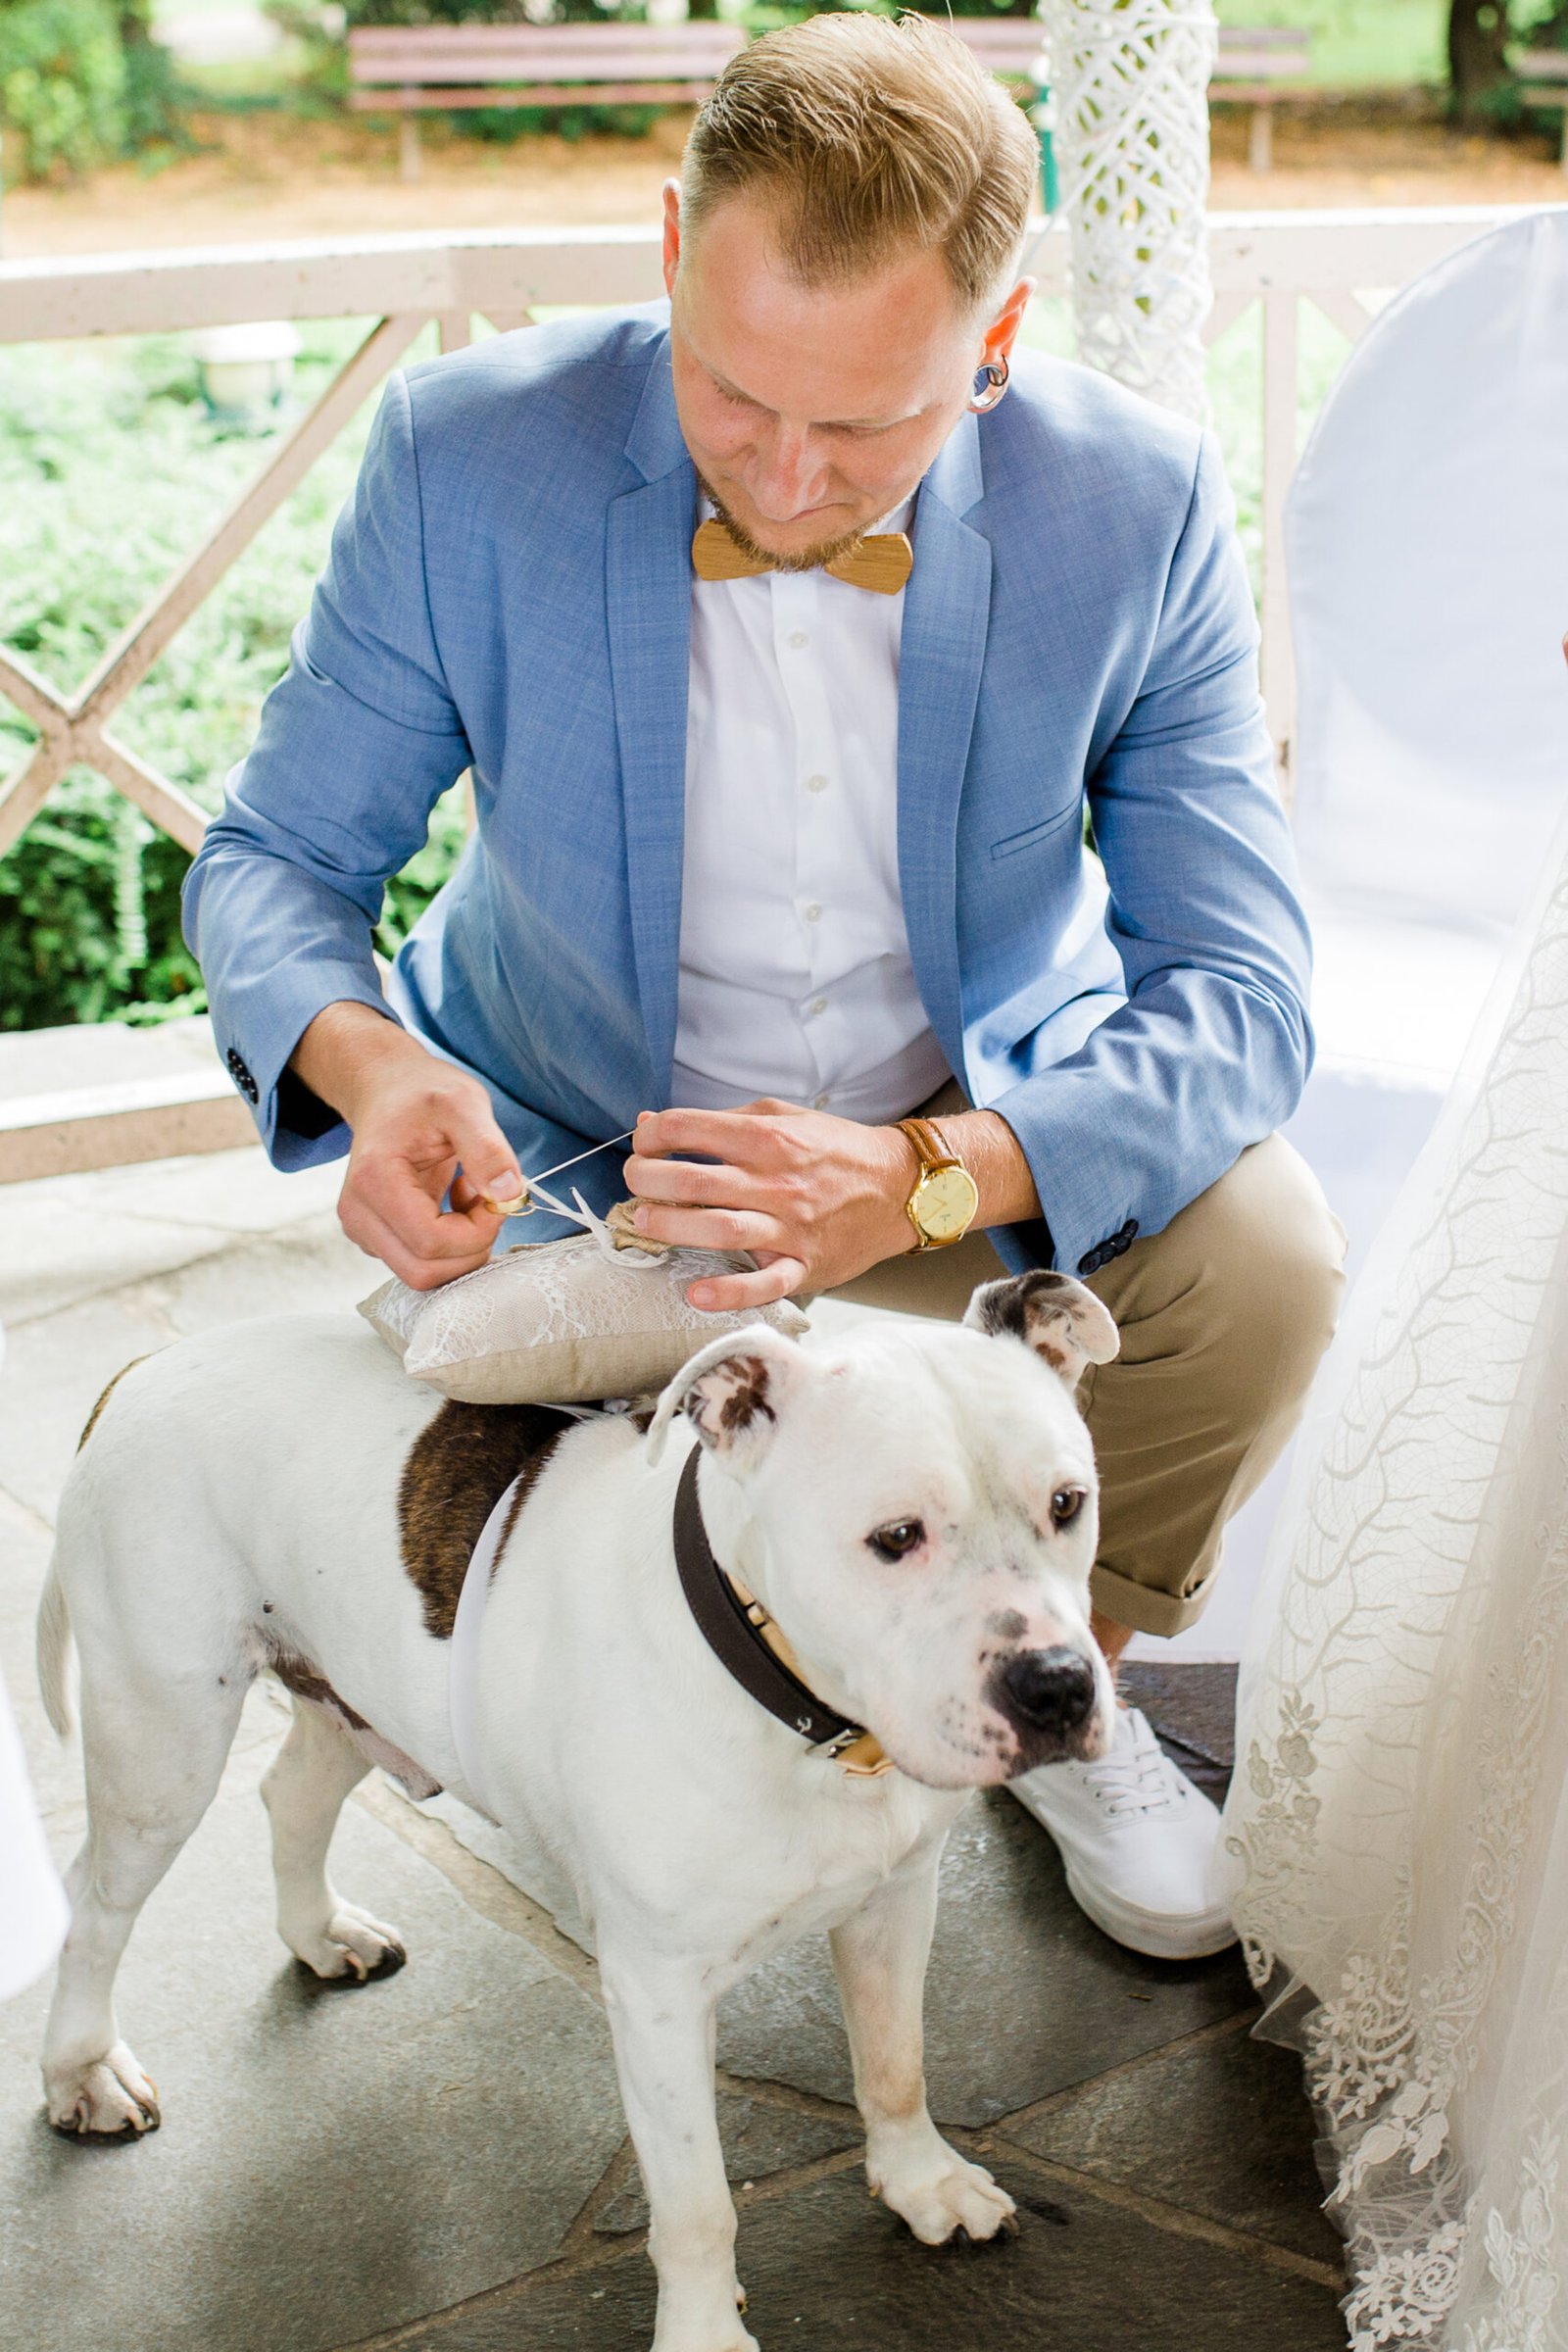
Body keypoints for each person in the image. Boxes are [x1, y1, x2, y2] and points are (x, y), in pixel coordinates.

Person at [183, 13, 1345, 1961]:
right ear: (666, 249)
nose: (792, 476)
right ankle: (648, 1711)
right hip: (577, 1182)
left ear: (994, 337)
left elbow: (1241, 985)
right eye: (733, 397)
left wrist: (937, 1174)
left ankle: (1050, 1700)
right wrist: (370, 1067)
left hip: (948, 1164)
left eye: (866, 421)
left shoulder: (1126, 504)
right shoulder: (467, 459)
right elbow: (274, 863)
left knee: (1268, 1259)